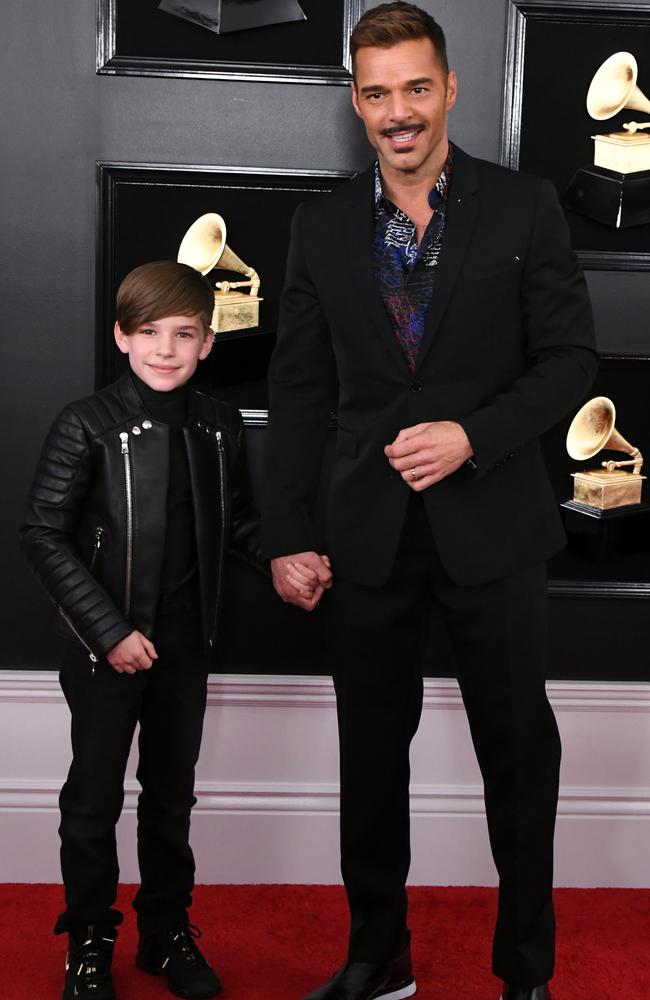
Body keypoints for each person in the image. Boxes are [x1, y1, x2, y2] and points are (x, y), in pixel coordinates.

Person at [262, 4, 598, 1000]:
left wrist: (473, 434)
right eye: (375, 92)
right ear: (355, 102)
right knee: (370, 761)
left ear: (447, 88)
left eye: (414, 87)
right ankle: (379, 956)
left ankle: (523, 971)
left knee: (516, 757)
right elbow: (298, 391)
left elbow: (571, 357)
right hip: (365, 537)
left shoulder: (523, 205)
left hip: (494, 529)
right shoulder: (319, 226)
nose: (396, 111)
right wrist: (288, 531)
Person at [20, 260, 262, 1000]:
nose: (166, 349)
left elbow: (238, 523)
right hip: (106, 653)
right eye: (150, 332)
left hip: (187, 645)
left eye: (184, 334)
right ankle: (90, 939)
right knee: (93, 799)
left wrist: (291, 558)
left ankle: (165, 930)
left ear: (208, 343)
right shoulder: (85, 424)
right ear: (122, 337)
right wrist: (108, 631)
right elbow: (42, 533)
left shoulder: (220, 426)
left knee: (171, 797)